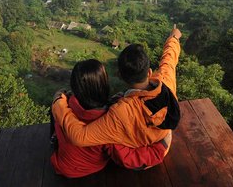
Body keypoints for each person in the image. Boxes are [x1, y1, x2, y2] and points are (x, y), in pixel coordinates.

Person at [51, 25, 182, 152]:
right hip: (163, 141)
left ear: (121, 76)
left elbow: (79, 137)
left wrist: (59, 104)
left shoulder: (121, 113)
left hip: (141, 159)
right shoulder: (165, 81)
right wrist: (174, 38)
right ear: (149, 72)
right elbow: (169, 59)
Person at [50, 59, 171, 178]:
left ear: (75, 88)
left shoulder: (63, 104)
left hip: (60, 163)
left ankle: (54, 139)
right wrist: (161, 146)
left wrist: (59, 98)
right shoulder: (111, 124)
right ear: (104, 86)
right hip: (88, 169)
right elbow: (130, 159)